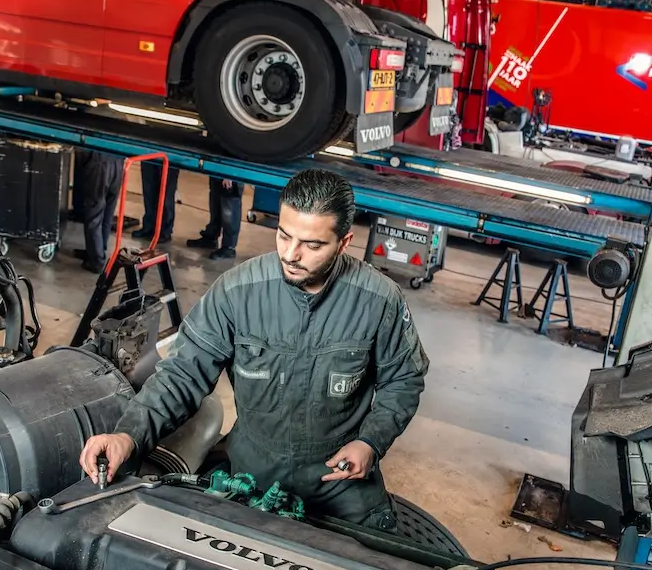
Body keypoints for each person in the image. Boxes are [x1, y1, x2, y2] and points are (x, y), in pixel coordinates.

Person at [80, 169, 429, 531]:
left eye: (312, 245)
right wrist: (128, 435)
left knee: (376, 560)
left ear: (344, 243)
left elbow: (403, 381)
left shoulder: (377, 300)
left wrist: (370, 443)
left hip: (338, 480)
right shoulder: (237, 292)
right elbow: (182, 374)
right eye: (284, 235)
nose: (291, 255)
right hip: (252, 471)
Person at [71, 150, 136, 273]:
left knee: (94, 215)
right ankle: (98, 250)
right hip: (118, 163)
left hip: (100, 164)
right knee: (107, 213)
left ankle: (96, 260)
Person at [187, 177, 244, 260]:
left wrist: (230, 175)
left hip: (233, 172)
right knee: (215, 201)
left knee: (230, 202)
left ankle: (229, 247)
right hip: (220, 171)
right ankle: (211, 238)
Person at [133, 161, 179, 244]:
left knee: (166, 192)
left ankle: (164, 231)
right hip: (150, 155)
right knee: (149, 189)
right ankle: (149, 226)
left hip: (171, 156)